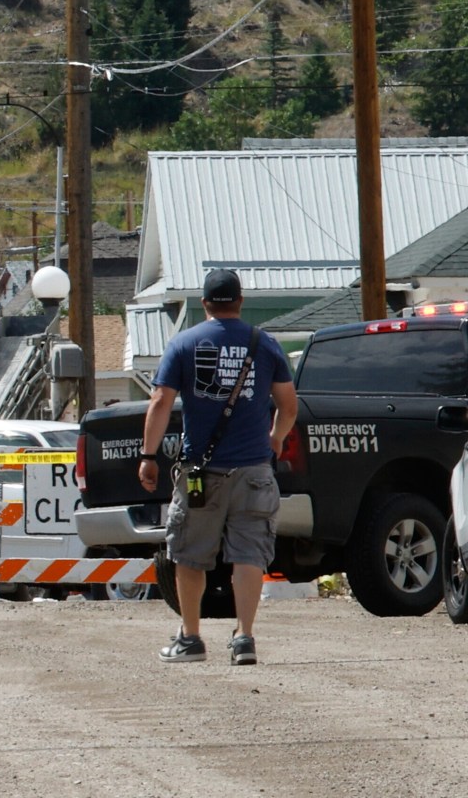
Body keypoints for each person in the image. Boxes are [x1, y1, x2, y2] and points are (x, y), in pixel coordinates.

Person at [139, 268, 297, 665]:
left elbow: (160, 401)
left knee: (191, 552)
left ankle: (191, 638)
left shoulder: (184, 344)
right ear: (240, 302)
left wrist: (148, 455)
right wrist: (275, 439)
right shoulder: (265, 345)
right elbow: (289, 406)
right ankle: (244, 638)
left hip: (201, 474)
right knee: (248, 553)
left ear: (205, 303)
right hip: (255, 471)